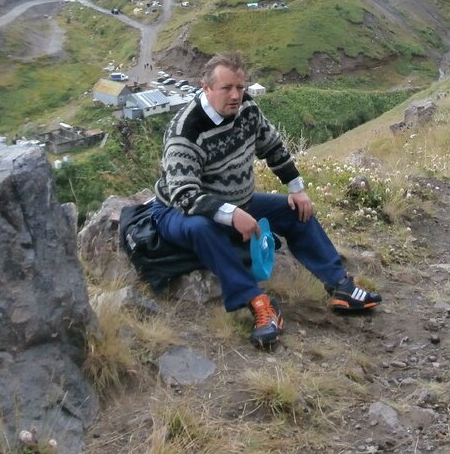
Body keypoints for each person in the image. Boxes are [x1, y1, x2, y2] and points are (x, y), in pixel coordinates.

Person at [152, 51, 381, 347]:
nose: (236, 95)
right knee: (201, 228)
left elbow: (272, 147)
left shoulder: (247, 109)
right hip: (177, 212)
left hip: (240, 202)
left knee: (295, 210)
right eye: (226, 88)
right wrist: (231, 215)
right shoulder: (186, 131)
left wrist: (296, 189)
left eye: (240, 87)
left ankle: (340, 286)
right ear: (205, 87)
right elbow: (185, 195)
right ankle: (257, 302)